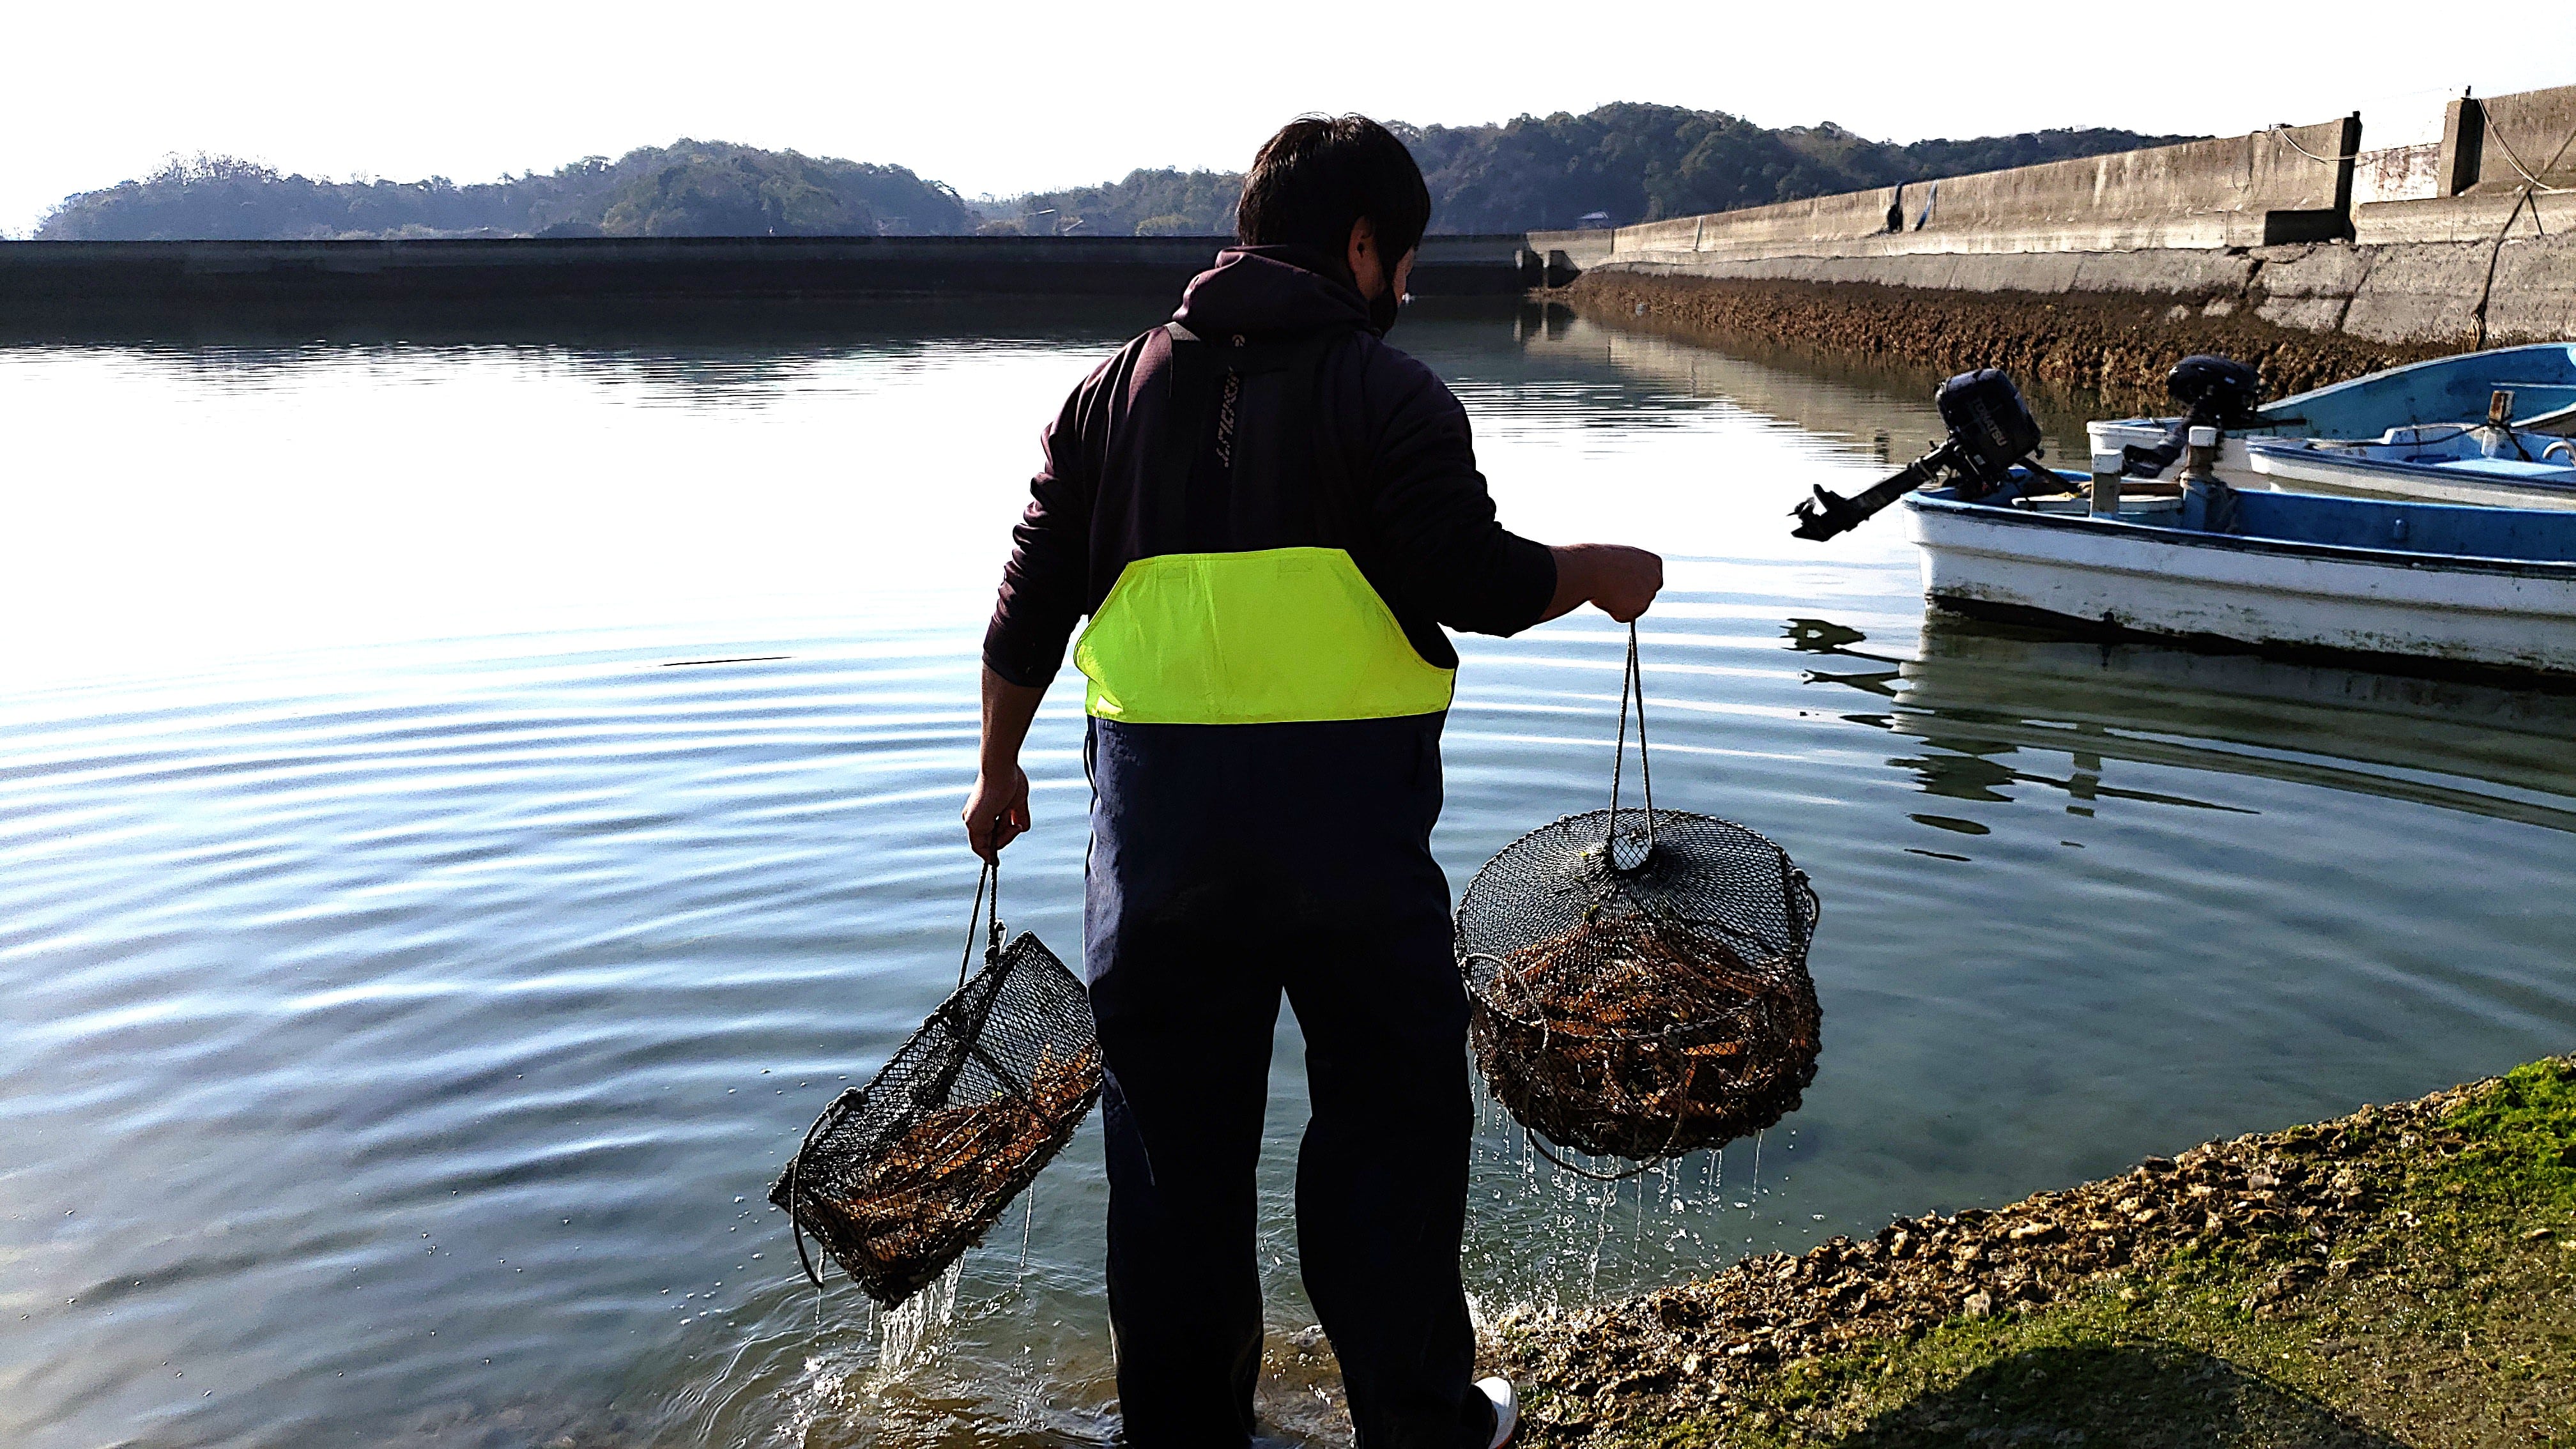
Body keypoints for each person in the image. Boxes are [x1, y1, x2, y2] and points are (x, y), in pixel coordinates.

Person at [965, 114, 1662, 1449]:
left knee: (1173, 1161)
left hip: (1159, 851)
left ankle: (1184, 1436)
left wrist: (998, 773)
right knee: (1389, 1133)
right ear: (1359, 245)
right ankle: (1417, 1424)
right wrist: (1598, 570)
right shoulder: (1392, 397)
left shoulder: (1105, 398)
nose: (1402, 292)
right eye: (1398, 263)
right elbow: (1481, 583)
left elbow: (1025, 611)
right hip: (1350, 850)